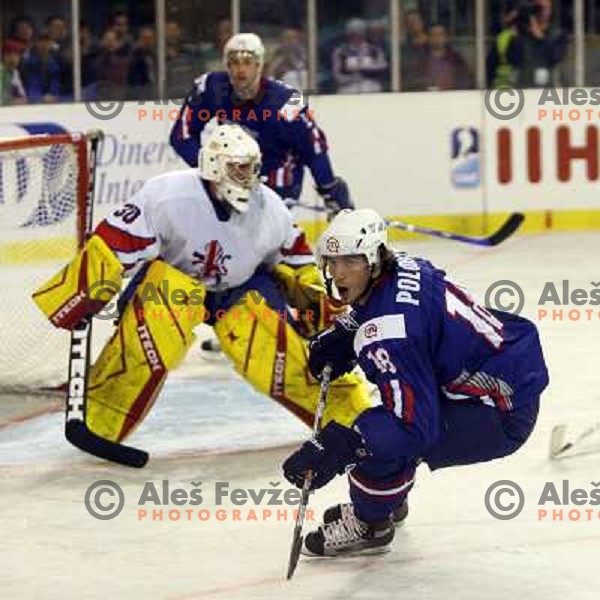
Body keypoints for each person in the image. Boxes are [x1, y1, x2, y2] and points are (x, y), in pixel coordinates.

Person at [31, 125, 373, 453]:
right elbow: (112, 245)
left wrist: (324, 315)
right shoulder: (167, 196)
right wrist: (80, 295)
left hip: (242, 289)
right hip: (176, 284)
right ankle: (100, 423)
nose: (248, 177)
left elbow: (298, 265)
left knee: (280, 355)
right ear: (213, 166)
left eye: (252, 168)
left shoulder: (270, 208)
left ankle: (355, 419)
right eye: (238, 168)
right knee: (145, 338)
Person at [282, 208, 549, 557]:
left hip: (500, 413)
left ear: (375, 259)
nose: (339, 273)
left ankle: (370, 523)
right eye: (332, 261)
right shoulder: (405, 265)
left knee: (377, 431)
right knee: (393, 422)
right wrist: (348, 331)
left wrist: (344, 446)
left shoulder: (392, 335)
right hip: (506, 373)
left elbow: (413, 428)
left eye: (351, 261)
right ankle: (387, 497)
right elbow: (392, 308)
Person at [170, 33, 352, 212]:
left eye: (248, 63)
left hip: (277, 179)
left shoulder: (288, 102)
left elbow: (314, 148)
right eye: (234, 62)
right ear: (226, 65)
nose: (241, 70)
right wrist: (212, 168)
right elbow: (181, 136)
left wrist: (329, 187)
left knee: (264, 238)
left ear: (259, 66)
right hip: (232, 174)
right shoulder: (210, 86)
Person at [487, 0, 567, 89]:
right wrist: (513, 24)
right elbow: (506, 60)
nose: (542, 11)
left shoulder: (556, 34)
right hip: (519, 88)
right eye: (538, 7)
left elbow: (554, 58)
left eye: (546, 8)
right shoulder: (518, 33)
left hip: (545, 90)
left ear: (551, 10)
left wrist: (538, 36)